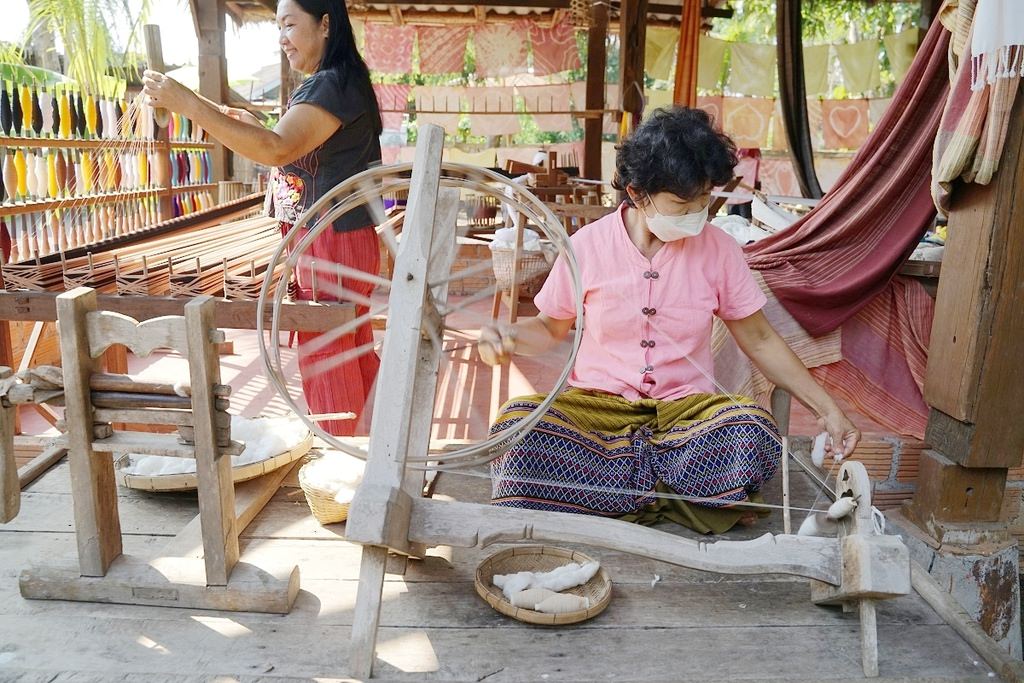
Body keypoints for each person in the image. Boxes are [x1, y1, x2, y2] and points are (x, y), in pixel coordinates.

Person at [478, 106, 860, 534]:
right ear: (638, 194)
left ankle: (614, 494)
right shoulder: (586, 246)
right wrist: (508, 335)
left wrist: (828, 409)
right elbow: (550, 328)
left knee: (754, 432)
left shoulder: (719, 251)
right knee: (517, 430)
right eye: (683, 204)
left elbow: (760, 339)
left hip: (686, 416)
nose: (699, 214)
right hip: (596, 410)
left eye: (705, 200)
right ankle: (683, 499)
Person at [143, 0, 382, 436]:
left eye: (290, 25)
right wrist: (251, 124)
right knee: (348, 346)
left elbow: (275, 148)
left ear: (325, 24)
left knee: (327, 352)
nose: (282, 38)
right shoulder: (339, 82)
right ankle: (372, 455)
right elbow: (292, 145)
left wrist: (191, 104)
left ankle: (343, 469)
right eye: (278, 27)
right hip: (340, 238)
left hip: (329, 240)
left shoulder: (331, 84)